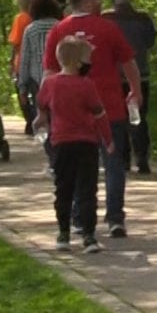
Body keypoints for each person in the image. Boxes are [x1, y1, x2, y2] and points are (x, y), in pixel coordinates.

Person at [43, 0, 142, 237]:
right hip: (109, 107)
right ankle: (115, 218)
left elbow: (50, 71)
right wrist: (135, 90)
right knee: (113, 163)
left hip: (71, 113)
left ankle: (79, 217)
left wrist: (45, 107)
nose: (101, 1)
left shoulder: (59, 31)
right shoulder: (108, 28)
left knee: (76, 166)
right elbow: (129, 62)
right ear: (86, 0)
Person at [36, 36, 112, 254]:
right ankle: (88, 235)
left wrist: (40, 118)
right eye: (87, 58)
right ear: (78, 62)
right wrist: (108, 140)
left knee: (63, 188)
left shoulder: (50, 84)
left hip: (61, 143)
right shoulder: (87, 85)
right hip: (86, 143)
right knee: (87, 189)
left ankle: (63, 233)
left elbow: (41, 104)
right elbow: (99, 114)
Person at [108, 0, 157, 173]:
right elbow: (150, 42)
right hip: (140, 75)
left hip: (116, 77)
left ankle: (123, 159)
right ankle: (142, 158)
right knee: (138, 118)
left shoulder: (107, 18)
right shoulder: (143, 18)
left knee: (119, 118)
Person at [18, 0, 65, 167]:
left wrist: (21, 85)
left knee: (43, 120)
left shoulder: (30, 29)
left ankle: (53, 157)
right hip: (61, 78)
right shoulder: (60, 26)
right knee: (59, 119)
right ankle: (59, 155)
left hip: (38, 82)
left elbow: (25, 58)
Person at [8, 0, 38, 134]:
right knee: (36, 92)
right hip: (37, 61)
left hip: (21, 61)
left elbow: (15, 42)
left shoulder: (20, 18)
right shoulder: (37, 18)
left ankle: (30, 121)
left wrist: (11, 61)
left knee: (22, 91)